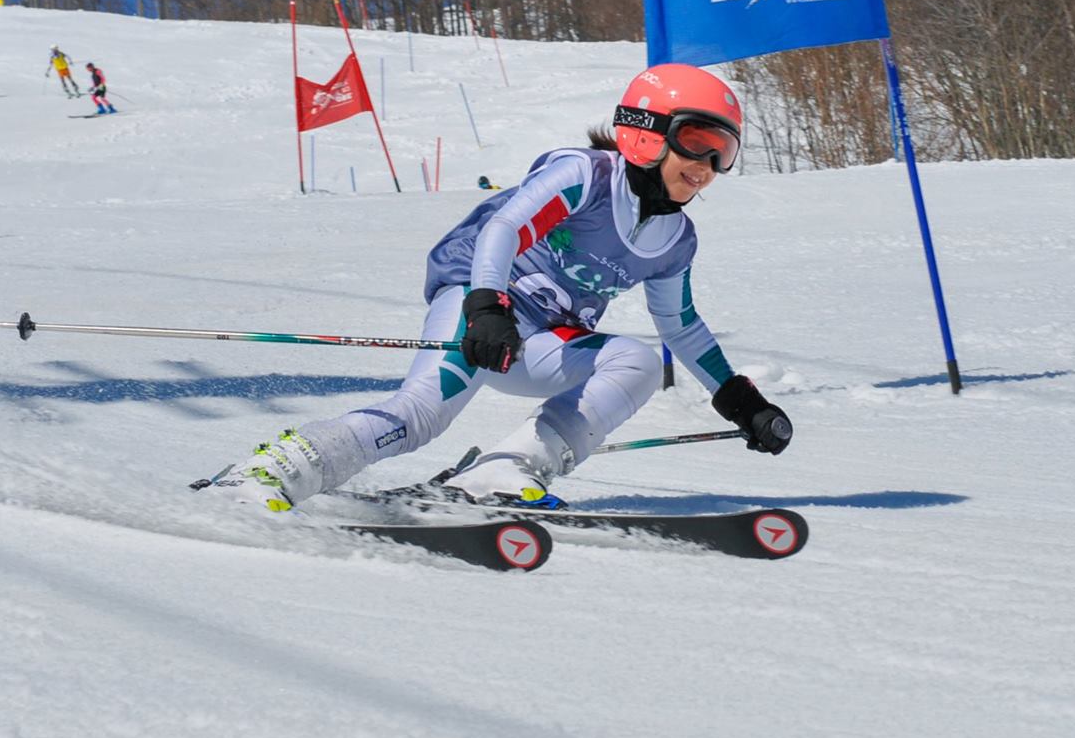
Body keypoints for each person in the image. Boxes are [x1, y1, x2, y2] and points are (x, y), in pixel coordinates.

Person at [211, 63, 792, 515]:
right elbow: (505, 228)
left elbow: (682, 328)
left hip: (543, 342)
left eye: (724, 151)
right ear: (646, 133)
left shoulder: (674, 239)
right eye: (696, 140)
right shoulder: (586, 176)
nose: (708, 163)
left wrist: (742, 401)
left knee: (638, 359)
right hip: (483, 306)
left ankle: (506, 470)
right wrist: (488, 304)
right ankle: (272, 472)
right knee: (419, 418)